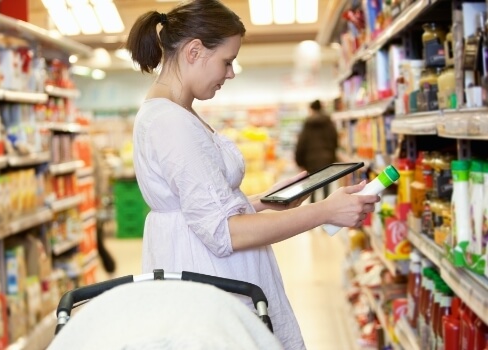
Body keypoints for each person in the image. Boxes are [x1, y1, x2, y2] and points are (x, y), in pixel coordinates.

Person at [125, 1, 378, 349]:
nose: (230, 73)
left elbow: (202, 208)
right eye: (226, 61)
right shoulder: (171, 123)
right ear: (194, 51)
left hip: (210, 275)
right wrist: (324, 211)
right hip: (209, 283)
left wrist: (267, 200)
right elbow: (223, 232)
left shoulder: (179, 113)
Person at [295, 100, 338, 202]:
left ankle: (313, 208)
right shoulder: (328, 122)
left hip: (311, 160)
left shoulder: (308, 123)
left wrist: (299, 161)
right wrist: (332, 153)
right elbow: (334, 139)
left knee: (313, 186)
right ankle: (326, 205)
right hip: (327, 158)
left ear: (312, 109)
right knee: (326, 184)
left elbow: (302, 143)